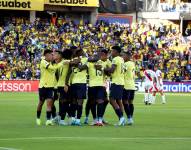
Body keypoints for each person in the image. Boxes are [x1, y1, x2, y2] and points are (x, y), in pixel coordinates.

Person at [36, 49, 59, 126]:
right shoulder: (43, 62)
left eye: (52, 55)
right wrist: (61, 64)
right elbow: (52, 69)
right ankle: (38, 118)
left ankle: (48, 120)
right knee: (41, 103)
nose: (52, 56)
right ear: (46, 55)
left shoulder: (51, 63)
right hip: (43, 86)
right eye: (51, 55)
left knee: (49, 104)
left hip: (50, 87)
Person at [104, 46, 126, 126]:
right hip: (121, 82)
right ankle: (122, 118)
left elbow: (112, 70)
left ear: (116, 52)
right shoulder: (121, 59)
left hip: (116, 82)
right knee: (118, 101)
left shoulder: (115, 59)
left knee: (111, 100)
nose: (111, 53)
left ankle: (121, 118)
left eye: (112, 51)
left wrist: (104, 68)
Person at [70, 48, 88, 126]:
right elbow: (81, 67)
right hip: (78, 83)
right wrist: (78, 61)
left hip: (77, 83)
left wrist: (77, 61)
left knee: (77, 102)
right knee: (76, 102)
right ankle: (75, 119)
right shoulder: (85, 59)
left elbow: (79, 66)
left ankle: (76, 119)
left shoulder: (75, 60)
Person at [122, 51, 136, 125]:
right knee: (130, 102)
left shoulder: (126, 64)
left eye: (124, 56)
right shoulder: (133, 63)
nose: (123, 57)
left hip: (126, 85)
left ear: (128, 56)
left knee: (125, 102)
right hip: (132, 85)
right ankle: (130, 118)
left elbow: (122, 72)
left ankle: (129, 117)